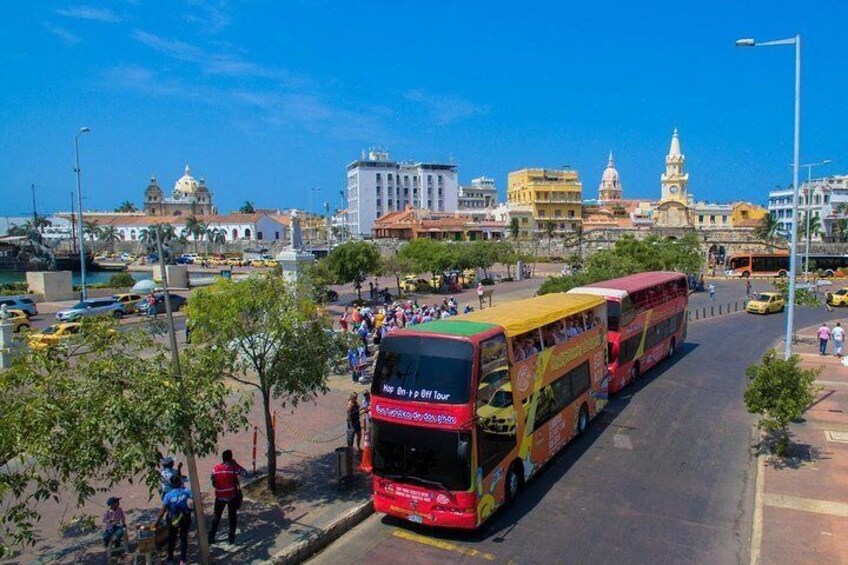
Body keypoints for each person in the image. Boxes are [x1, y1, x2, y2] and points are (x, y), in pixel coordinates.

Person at [208, 449, 246, 546]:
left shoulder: (216, 468)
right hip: (231, 496)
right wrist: (236, 463)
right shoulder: (233, 468)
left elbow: (212, 479)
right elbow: (245, 473)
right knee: (232, 517)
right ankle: (231, 537)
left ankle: (211, 536)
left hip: (220, 496)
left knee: (216, 516)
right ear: (231, 458)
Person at [156, 473, 193, 565]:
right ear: (180, 482)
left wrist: (156, 522)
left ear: (171, 484)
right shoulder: (186, 491)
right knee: (183, 538)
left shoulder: (168, 496)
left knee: (171, 538)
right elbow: (195, 499)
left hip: (172, 519)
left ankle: (170, 559)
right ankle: (183, 560)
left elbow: (162, 511)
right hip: (185, 518)